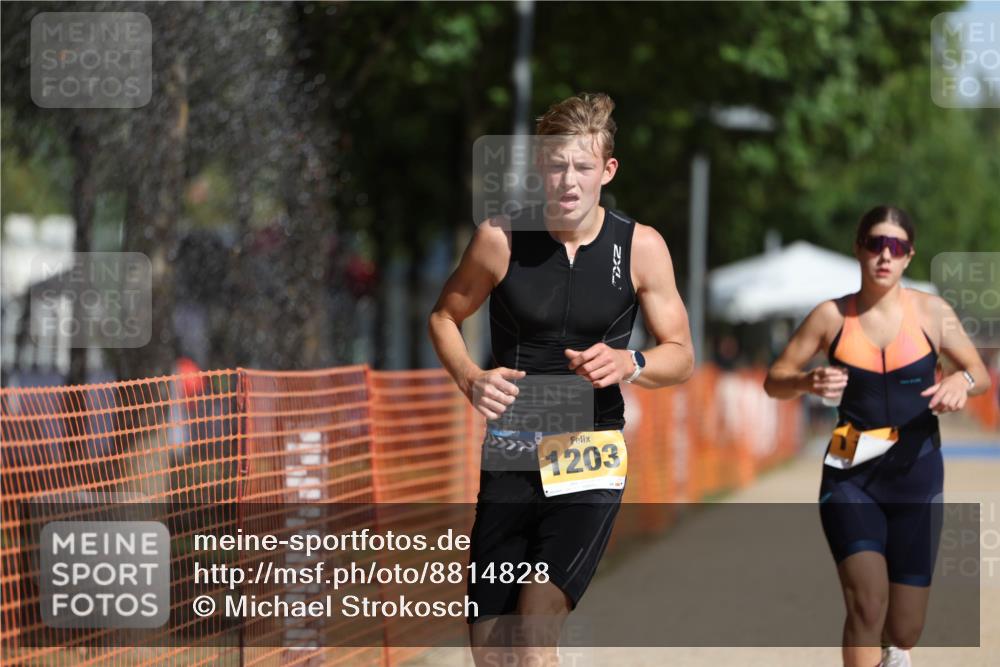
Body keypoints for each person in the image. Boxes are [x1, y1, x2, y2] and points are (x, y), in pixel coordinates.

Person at [428, 92, 693, 666]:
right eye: (555, 165)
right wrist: (470, 377)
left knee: (534, 628)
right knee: (491, 653)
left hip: (589, 454)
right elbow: (444, 316)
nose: (568, 180)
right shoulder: (500, 239)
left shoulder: (640, 247)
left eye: (582, 166)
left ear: (607, 170)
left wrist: (634, 363)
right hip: (510, 456)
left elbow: (681, 354)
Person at [764, 205, 991, 667]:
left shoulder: (932, 312)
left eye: (897, 247)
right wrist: (806, 382)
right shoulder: (830, 316)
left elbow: (979, 372)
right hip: (851, 476)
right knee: (867, 605)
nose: (885, 257)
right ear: (858, 249)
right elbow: (775, 379)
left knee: (905, 628)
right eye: (875, 245)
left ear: (909, 257)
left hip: (918, 475)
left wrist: (960, 382)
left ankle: (895, 652)